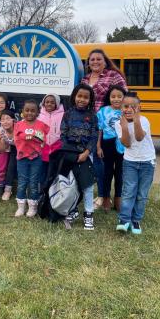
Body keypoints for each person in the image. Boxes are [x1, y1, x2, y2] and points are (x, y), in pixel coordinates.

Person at [115, 92, 156, 235]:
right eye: (126, 106)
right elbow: (126, 143)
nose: (128, 109)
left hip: (147, 162)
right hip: (130, 162)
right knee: (128, 191)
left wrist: (136, 119)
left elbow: (139, 137)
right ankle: (124, 220)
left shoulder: (144, 120)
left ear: (139, 108)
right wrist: (125, 127)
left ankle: (136, 219)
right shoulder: (118, 123)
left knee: (141, 194)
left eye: (133, 107)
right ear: (121, 107)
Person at [59, 83, 98, 230]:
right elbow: (63, 134)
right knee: (72, 184)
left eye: (86, 97)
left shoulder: (92, 116)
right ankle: (73, 210)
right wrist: (69, 153)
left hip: (86, 155)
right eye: (79, 96)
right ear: (74, 96)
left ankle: (89, 214)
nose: (82, 99)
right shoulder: (68, 114)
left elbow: (94, 136)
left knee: (87, 186)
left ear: (90, 99)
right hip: (70, 155)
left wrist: (87, 152)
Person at [14, 99, 49, 218]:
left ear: (38, 112)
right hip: (22, 157)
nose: (30, 113)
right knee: (22, 182)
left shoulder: (41, 125)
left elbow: (41, 139)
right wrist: (31, 136)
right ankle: (21, 207)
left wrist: (31, 137)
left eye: (33, 111)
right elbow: (18, 138)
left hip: (36, 157)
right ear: (22, 112)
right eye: (27, 110)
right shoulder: (18, 125)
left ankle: (33, 207)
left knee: (34, 182)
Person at [96, 85, 127, 212]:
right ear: (109, 98)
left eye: (120, 96)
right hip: (106, 145)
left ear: (124, 98)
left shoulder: (127, 111)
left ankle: (118, 199)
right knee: (107, 173)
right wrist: (98, 147)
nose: (116, 99)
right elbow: (99, 130)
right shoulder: (102, 111)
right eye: (113, 96)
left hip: (123, 146)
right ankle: (106, 198)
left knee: (120, 174)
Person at [37, 94, 64, 190]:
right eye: (47, 102)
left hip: (56, 147)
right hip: (43, 147)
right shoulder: (39, 114)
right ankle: (41, 190)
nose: (49, 104)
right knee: (42, 170)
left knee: (53, 171)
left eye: (52, 102)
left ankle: (51, 190)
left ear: (57, 104)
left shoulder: (63, 114)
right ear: (43, 103)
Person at [0, 110, 17, 201]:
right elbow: (2, 149)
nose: (5, 121)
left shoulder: (19, 128)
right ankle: (7, 190)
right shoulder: (2, 131)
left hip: (25, 150)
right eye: (3, 119)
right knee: (10, 167)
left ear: (13, 120)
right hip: (14, 150)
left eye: (8, 118)